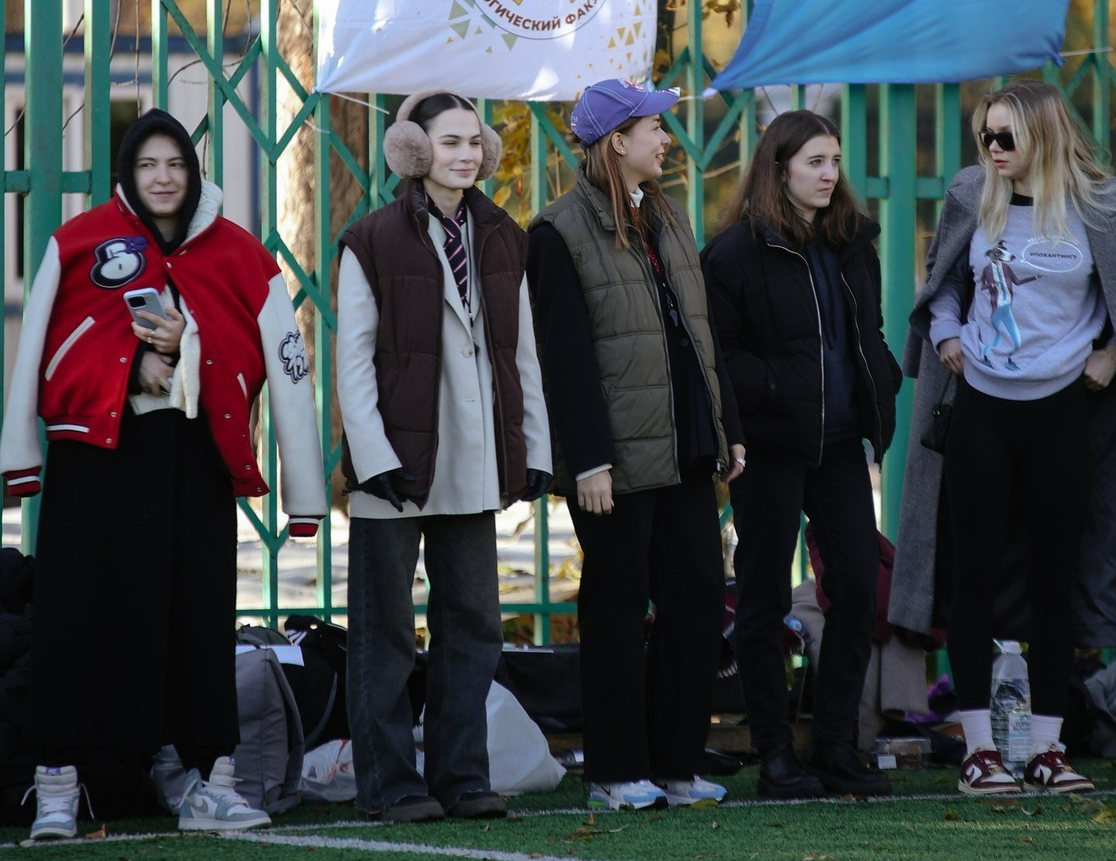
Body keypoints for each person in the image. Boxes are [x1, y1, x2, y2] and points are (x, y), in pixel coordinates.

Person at [0, 108, 327, 841]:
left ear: (193, 169)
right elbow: (46, 348)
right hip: (96, 465)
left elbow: (284, 364)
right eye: (147, 165)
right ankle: (57, 785)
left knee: (198, 622)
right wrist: (119, 375)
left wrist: (188, 349)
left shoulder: (241, 255)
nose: (162, 178)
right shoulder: (77, 243)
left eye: (174, 164)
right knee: (75, 618)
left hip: (193, 464)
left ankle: (211, 783)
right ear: (127, 172)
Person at [887, 79, 1116, 797]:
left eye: (1007, 137)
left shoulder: (1107, 206)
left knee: (1054, 584)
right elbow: (940, 286)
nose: (993, 150)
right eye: (985, 137)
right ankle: (978, 751)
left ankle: (1047, 750)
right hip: (981, 415)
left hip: (1062, 415)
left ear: (1046, 135)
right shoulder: (973, 195)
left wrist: (1113, 355)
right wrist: (944, 339)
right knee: (973, 582)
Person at [526, 78, 744, 812]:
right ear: (616, 140)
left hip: (683, 449)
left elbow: (700, 335)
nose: (666, 138)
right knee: (616, 609)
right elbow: (564, 357)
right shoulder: (557, 232)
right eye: (654, 126)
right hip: (612, 464)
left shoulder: (669, 215)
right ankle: (618, 773)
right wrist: (587, 458)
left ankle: (676, 765)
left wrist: (726, 429)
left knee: (696, 601)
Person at [337, 90, 552, 824]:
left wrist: (535, 448)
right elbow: (353, 359)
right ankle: (390, 785)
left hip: (473, 461)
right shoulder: (370, 238)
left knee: (473, 622)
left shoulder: (502, 235)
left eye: (473, 142)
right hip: (391, 471)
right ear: (413, 150)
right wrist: (371, 457)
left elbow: (523, 351)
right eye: (449, 142)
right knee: (385, 632)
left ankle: (462, 779)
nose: (464, 155)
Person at [701, 110, 901, 799]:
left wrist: (883, 384)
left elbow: (866, 332)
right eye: (815, 161)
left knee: (854, 588)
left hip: (842, 445)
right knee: (759, 599)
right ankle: (775, 753)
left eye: (834, 161)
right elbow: (721, 357)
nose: (828, 174)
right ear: (778, 167)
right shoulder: (733, 253)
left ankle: (837, 744)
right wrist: (778, 390)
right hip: (770, 447)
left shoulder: (852, 243)